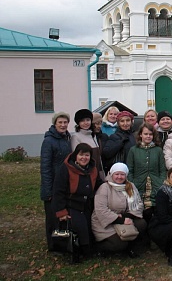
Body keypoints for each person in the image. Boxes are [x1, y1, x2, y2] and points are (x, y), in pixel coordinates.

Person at [52, 143, 102, 261]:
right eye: (81, 155)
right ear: (75, 156)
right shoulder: (66, 168)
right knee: (80, 227)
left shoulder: (93, 169)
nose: (84, 158)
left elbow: (98, 184)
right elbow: (58, 191)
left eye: (87, 155)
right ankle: (78, 252)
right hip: (71, 205)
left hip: (88, 204)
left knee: (91, 227)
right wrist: (61, 212)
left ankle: (89, 249)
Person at [91, 163, 147, 258]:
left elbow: (139, 204)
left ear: (126, 175)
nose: (119, 177)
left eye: (122, 174)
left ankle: (131, 247)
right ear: (112, 174)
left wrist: (128, 216)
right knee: (119, 245)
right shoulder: (104, 187)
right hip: (105, 222)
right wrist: (120, 220)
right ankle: (100, 247)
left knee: (141, 223)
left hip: (125, 218)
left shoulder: (130, 186)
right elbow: (101, 209)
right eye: (117, 174)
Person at [40, 111, 72, 251]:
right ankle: (52, 246)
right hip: (52, 183)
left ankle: (63, 242)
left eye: (65, 122)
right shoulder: (49, 141)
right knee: (52, 217)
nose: (63, 125)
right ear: (55, 123)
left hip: (64, 183)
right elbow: (45, 167)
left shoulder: (67, 138)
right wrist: (48, 191)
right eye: (60, 122)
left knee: (62, 214)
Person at [126, 123, 167, 221]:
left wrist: (161, 182)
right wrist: (133, 183)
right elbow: (130, 170)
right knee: (141, 213)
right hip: (138, 186)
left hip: (155, 185)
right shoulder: (133, 150)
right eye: (145, 134)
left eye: (150, 134)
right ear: (140, 135)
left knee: (155, 212)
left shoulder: (158, 150)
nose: (148, 136)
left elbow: (162, 169)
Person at [71, 109, 104, 180]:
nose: (86, 123)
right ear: (78, 123)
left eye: (88, 120)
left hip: (97, 171)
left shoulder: (93, 135)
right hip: (86, 174)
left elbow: (99, 158)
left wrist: (102, 173)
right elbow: (76, 158)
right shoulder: (76, 136)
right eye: (82, 121)